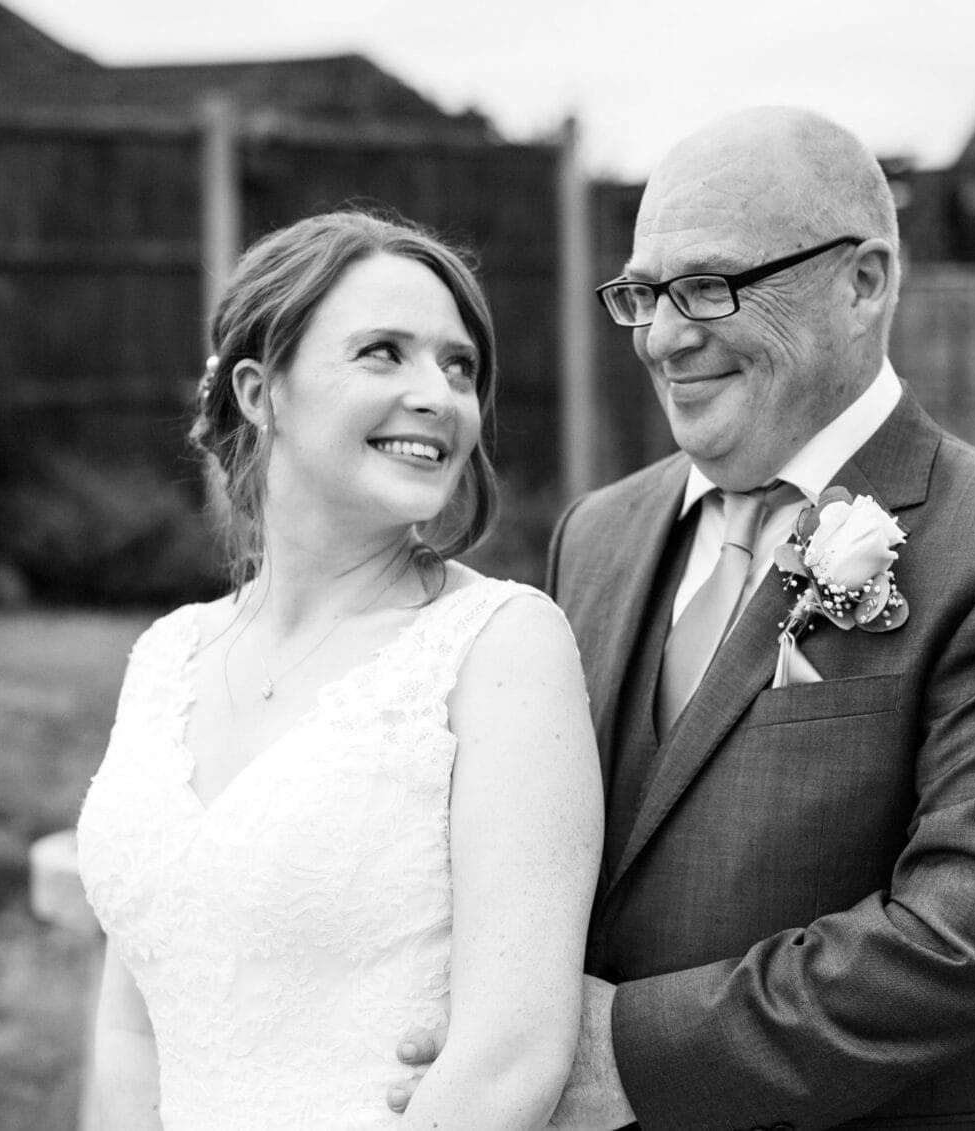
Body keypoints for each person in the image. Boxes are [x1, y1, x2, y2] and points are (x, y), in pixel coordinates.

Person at [394, 107, 975, 1129]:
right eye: (641, 293)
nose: (661, 335)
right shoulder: (596, 534)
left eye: (707, 286)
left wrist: (629, 1051)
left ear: (863, 283)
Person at [75, 210, 602, 1129]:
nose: (438, 393)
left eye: (459, 365)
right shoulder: (168, 656)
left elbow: (511, 1056)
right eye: (383, 353)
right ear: (259, 389)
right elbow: (132, 1025)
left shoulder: (501, 647)